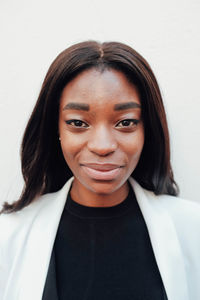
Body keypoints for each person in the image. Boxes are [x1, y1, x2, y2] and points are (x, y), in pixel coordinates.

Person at [0, 41, 200, 300]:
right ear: (55, 130)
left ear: (147, 130)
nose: (103, 146)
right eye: (78, 123)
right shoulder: (8, 236)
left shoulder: (193, 229)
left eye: (126, 122)